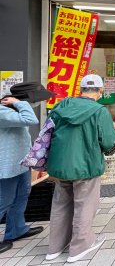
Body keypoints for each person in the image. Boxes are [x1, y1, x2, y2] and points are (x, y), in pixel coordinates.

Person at [45, 74, 115, 263]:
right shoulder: (99, 111)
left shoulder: (62, 106)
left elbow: (48, 131)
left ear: (82, 89)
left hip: (60, 164)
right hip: (86, 165)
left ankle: (54, 248)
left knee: (60, 204)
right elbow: (108, 142)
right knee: (84, 204)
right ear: (100, 91)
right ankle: (79, 247)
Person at [0, 82, 54, 254]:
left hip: (21, 163)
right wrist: (18, 102)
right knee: (4, 201)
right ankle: (14, 230)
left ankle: (16, 230)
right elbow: (31, 120)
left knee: (21, 197)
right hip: (5, 167)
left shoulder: (15, 109)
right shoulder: (3, 111)